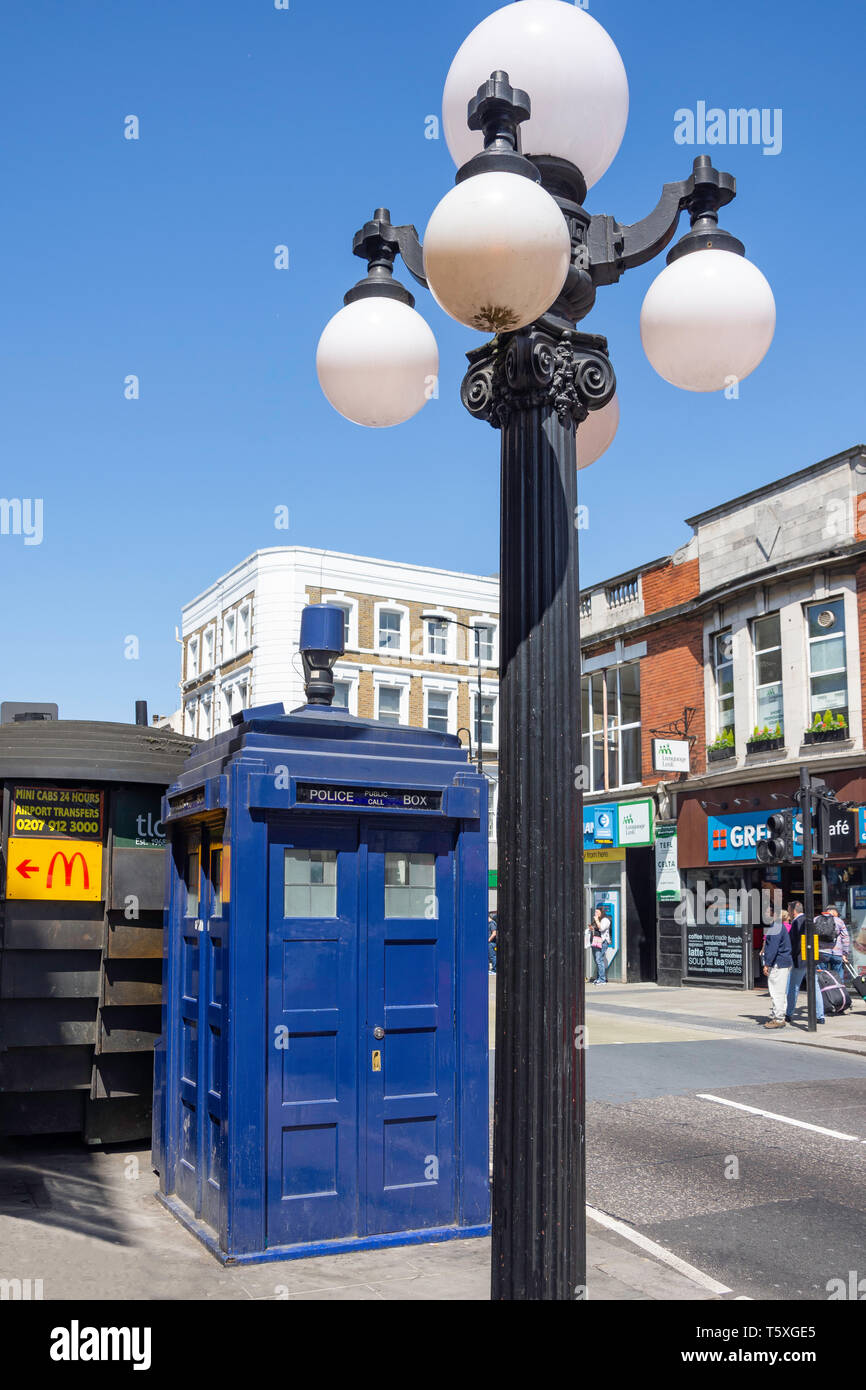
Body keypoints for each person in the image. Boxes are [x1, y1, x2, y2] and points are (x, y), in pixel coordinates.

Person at [786, 901, 825, 1026]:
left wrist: (790, 956)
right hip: (811, 958)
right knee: (814, 987)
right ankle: (820, 1015)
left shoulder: (797, 922)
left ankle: (789, 1013)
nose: (788, 913)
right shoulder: (809, 921)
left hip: (800, 959)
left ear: (793, 911)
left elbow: (795, 943)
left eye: (788, 910)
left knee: (793, 986)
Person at [762, 905, 793, 1028]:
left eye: (767, 912)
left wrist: (767, 964)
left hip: (778, 963)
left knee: (776, 991)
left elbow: (772, 948)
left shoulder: (776, 927)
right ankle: (780, 1015)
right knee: (780, 991)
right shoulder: (779, 926)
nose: (765, 914)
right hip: (783, 962)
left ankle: (779, 1018)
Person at [819, 903, 850, 983]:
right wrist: (845, 953)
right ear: (834, 912)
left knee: (822, 978)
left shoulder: (817, 919)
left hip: (821, 952)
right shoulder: (839, 921)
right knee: (838, 978)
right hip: (837, 953)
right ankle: (839, 993)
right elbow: (845, 938)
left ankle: (824, 994)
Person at [590, 905, 612, 985]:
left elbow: (602, 928)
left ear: (601, 912)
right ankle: (599, 978)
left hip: (603, 942)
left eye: (597, 912)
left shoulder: (605, 919)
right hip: (596, 941)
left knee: (599, 960)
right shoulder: (598, 919)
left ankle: (602, 979)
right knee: (597, 960)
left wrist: (596, 920)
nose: (595, 913)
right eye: (595, 912)